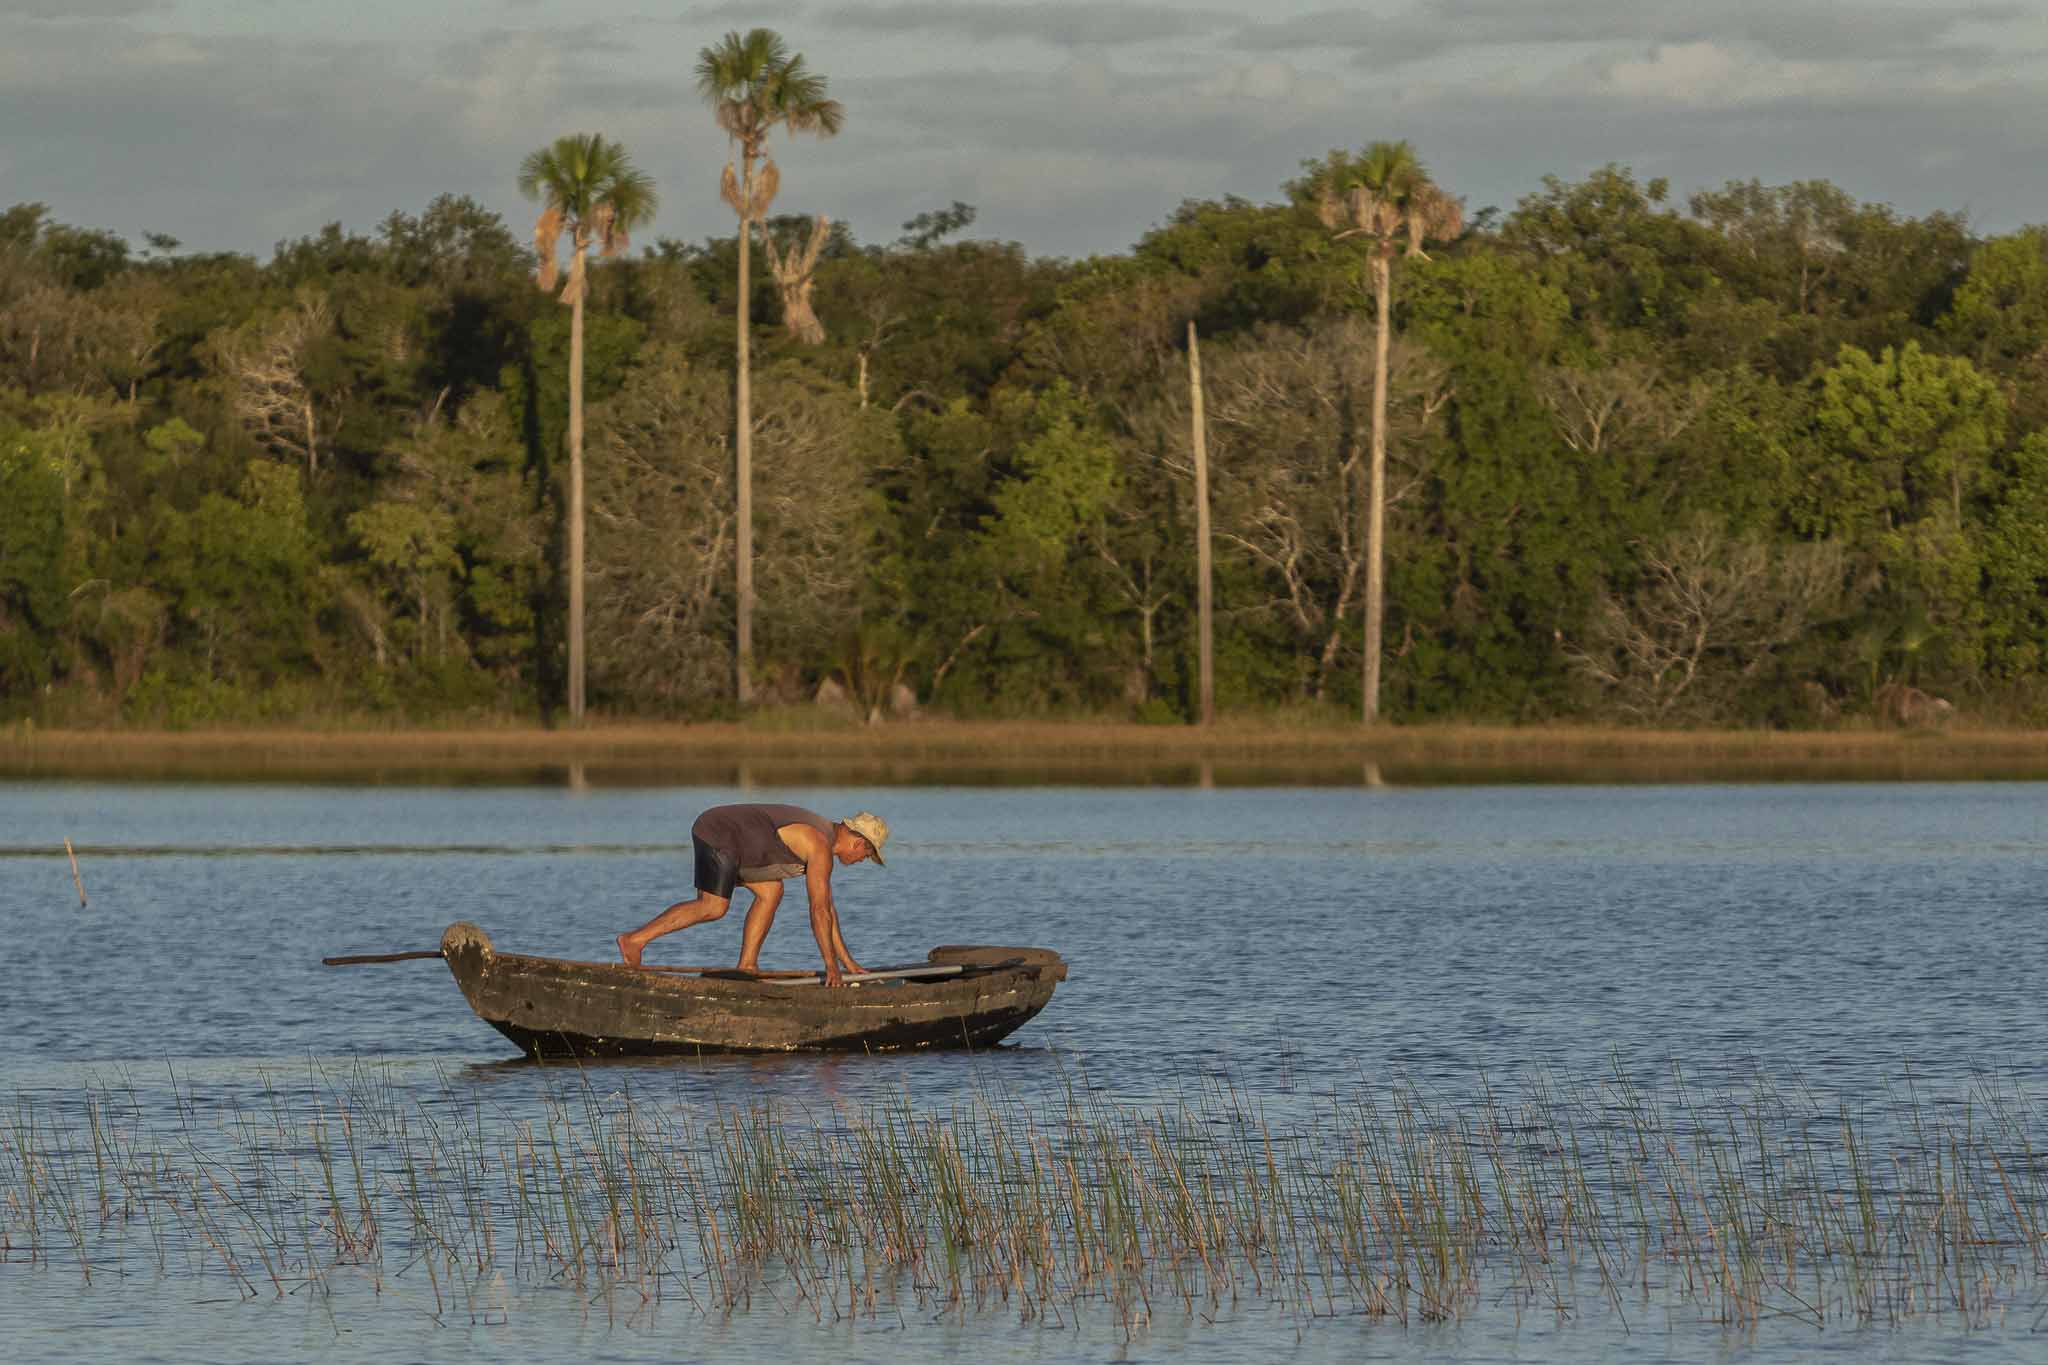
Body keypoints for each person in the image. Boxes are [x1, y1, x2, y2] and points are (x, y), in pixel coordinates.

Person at [617, 803, 889, 987]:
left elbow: (827, 908)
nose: (862, 860)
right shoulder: (819, 844)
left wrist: (847, 963)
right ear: (858, 843)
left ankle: (747, 966)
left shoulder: (823, 841)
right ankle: (635, 940)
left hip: (735, 840)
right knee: (713, 907)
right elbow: (818, 910)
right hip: (718, 831)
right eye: (867, 855)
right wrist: (831, 967)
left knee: (771, 891)